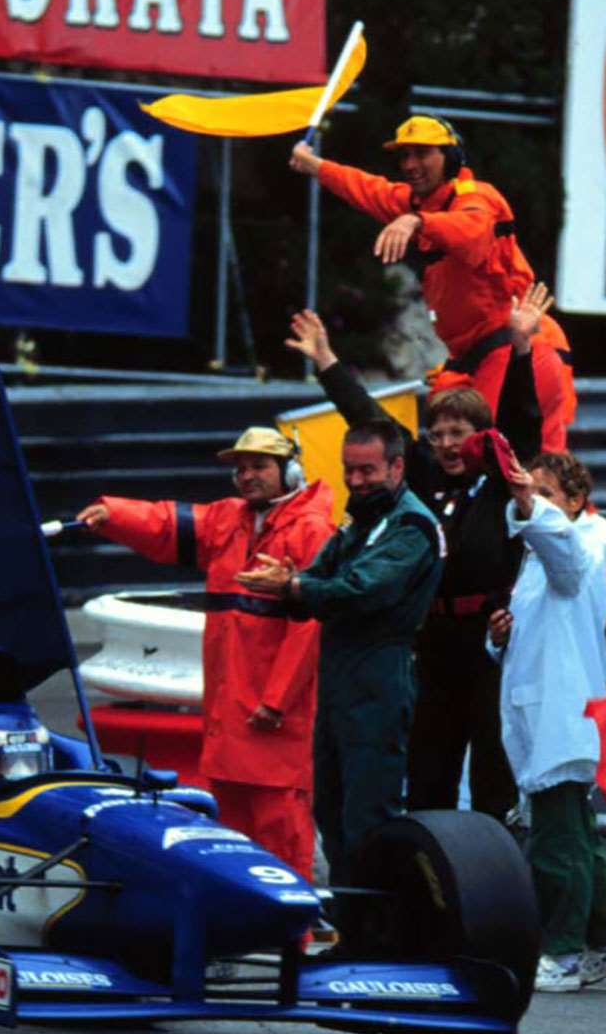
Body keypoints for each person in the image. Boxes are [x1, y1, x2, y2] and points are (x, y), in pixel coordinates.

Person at [287, 288, 549, 825]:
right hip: (431, 645)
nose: (448, 444)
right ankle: (427, 885)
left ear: (481, 439)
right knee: (427, 771)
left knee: (491, 778)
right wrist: (327, 363)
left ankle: (492, 878)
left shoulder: (501, 483)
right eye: (438, 433)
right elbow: (370, 419)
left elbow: (521, 427)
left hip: (491, 643)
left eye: (459, 433)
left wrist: (521, 351)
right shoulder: (426, 477)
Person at [76, 427, 337, 875]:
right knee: (231, 824)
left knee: (280, 819)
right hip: (230, 706)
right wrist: (115, 513)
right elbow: (165, 524)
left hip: (273, 711)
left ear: (290, 470)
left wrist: (277, 700)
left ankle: (294, 933)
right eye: (240, 468)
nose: (246, 476)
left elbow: (308, 628)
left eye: (259, 466)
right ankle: (243, 927)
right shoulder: (228, 520)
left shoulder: (312, 530)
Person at [289, 115, 578, 450]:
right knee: (449, 452)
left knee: (531, 464)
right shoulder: (419, 202)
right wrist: (314, 165)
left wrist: (416, 222)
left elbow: (471, 232)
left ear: (451, 157)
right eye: (405, 155)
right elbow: (369, 189)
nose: (411, 164)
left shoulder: (476, 197)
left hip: (521, 348)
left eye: (423, 153)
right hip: (476, 356)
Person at [234, 420, 443, 877]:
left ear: (396, 466)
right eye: (350, 471)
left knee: (368, 815)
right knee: (330, 808)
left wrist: (293, 586)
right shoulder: (360, 521)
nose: (356, 481)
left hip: (381, 675)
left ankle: (381, 931)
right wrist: (297, 584)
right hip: (340, 677)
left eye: (367, 471)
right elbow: (319, 576)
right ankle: (352, 929)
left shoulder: (411, 526)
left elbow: (358, 589)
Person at [489, 449, 606, 993]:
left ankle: (563, 950)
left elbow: (567, 567)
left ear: (576, 501)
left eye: (549, 495)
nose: (537, 505)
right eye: (532, 494)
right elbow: (538, 635)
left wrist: (531, 507)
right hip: (542, 706)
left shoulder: (586, 545)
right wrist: (498, 638)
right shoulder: (538, 555)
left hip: (561, 711)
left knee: (556, 841)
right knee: (578, 834)